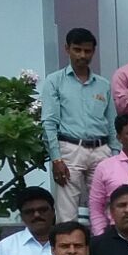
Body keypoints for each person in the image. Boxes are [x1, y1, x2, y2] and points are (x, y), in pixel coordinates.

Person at [41, 27, 116, 221]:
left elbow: (112, 123)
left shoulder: (103, 84)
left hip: (101, 149)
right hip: (70, 149)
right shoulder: (54, 81)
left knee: (105, 209)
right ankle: (68, 241)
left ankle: (102, 241)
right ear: (67, 49)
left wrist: (115, 155)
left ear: (93, 51)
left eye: (87, 50)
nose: (82, 55)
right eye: (77, 49)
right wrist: (56, 159)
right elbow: (49, 122)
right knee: (67, 212)